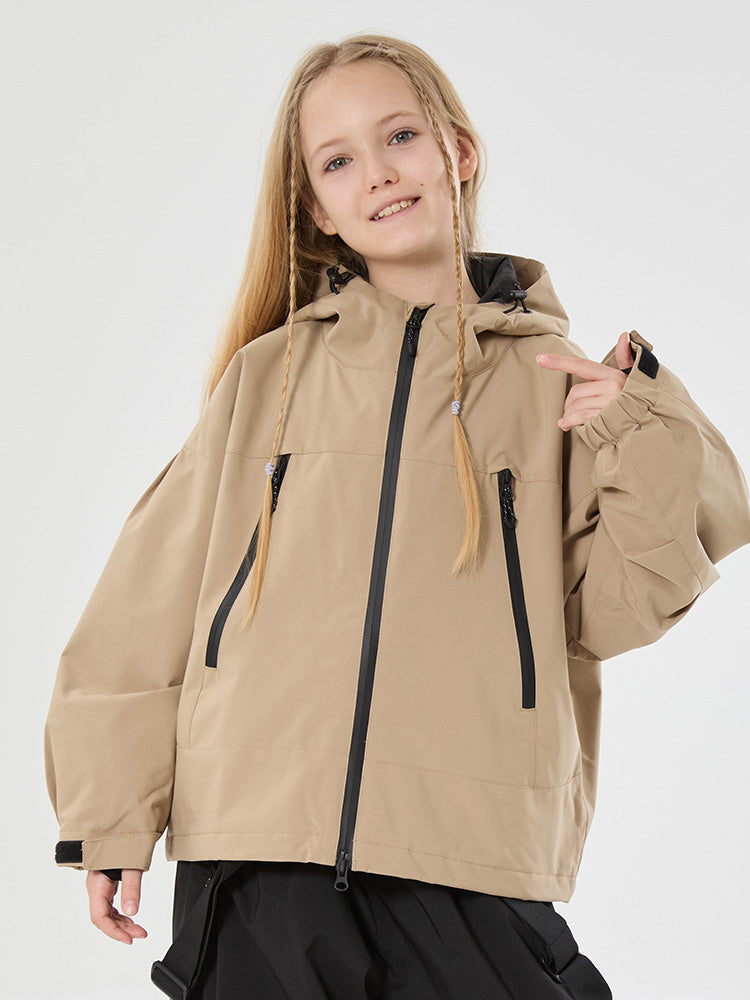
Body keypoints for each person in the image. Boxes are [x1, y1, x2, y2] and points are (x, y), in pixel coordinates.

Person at [43, 31, 750, 1000]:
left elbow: (626, 607)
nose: (376, 173)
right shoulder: (268, 378)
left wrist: (642, 427)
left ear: (459, 151)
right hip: (259, 855)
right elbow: (143, 609)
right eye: (337, 161)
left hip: (469, 848)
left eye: (400, 136)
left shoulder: (555, 384)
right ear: (314, 205)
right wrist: (112, 814)